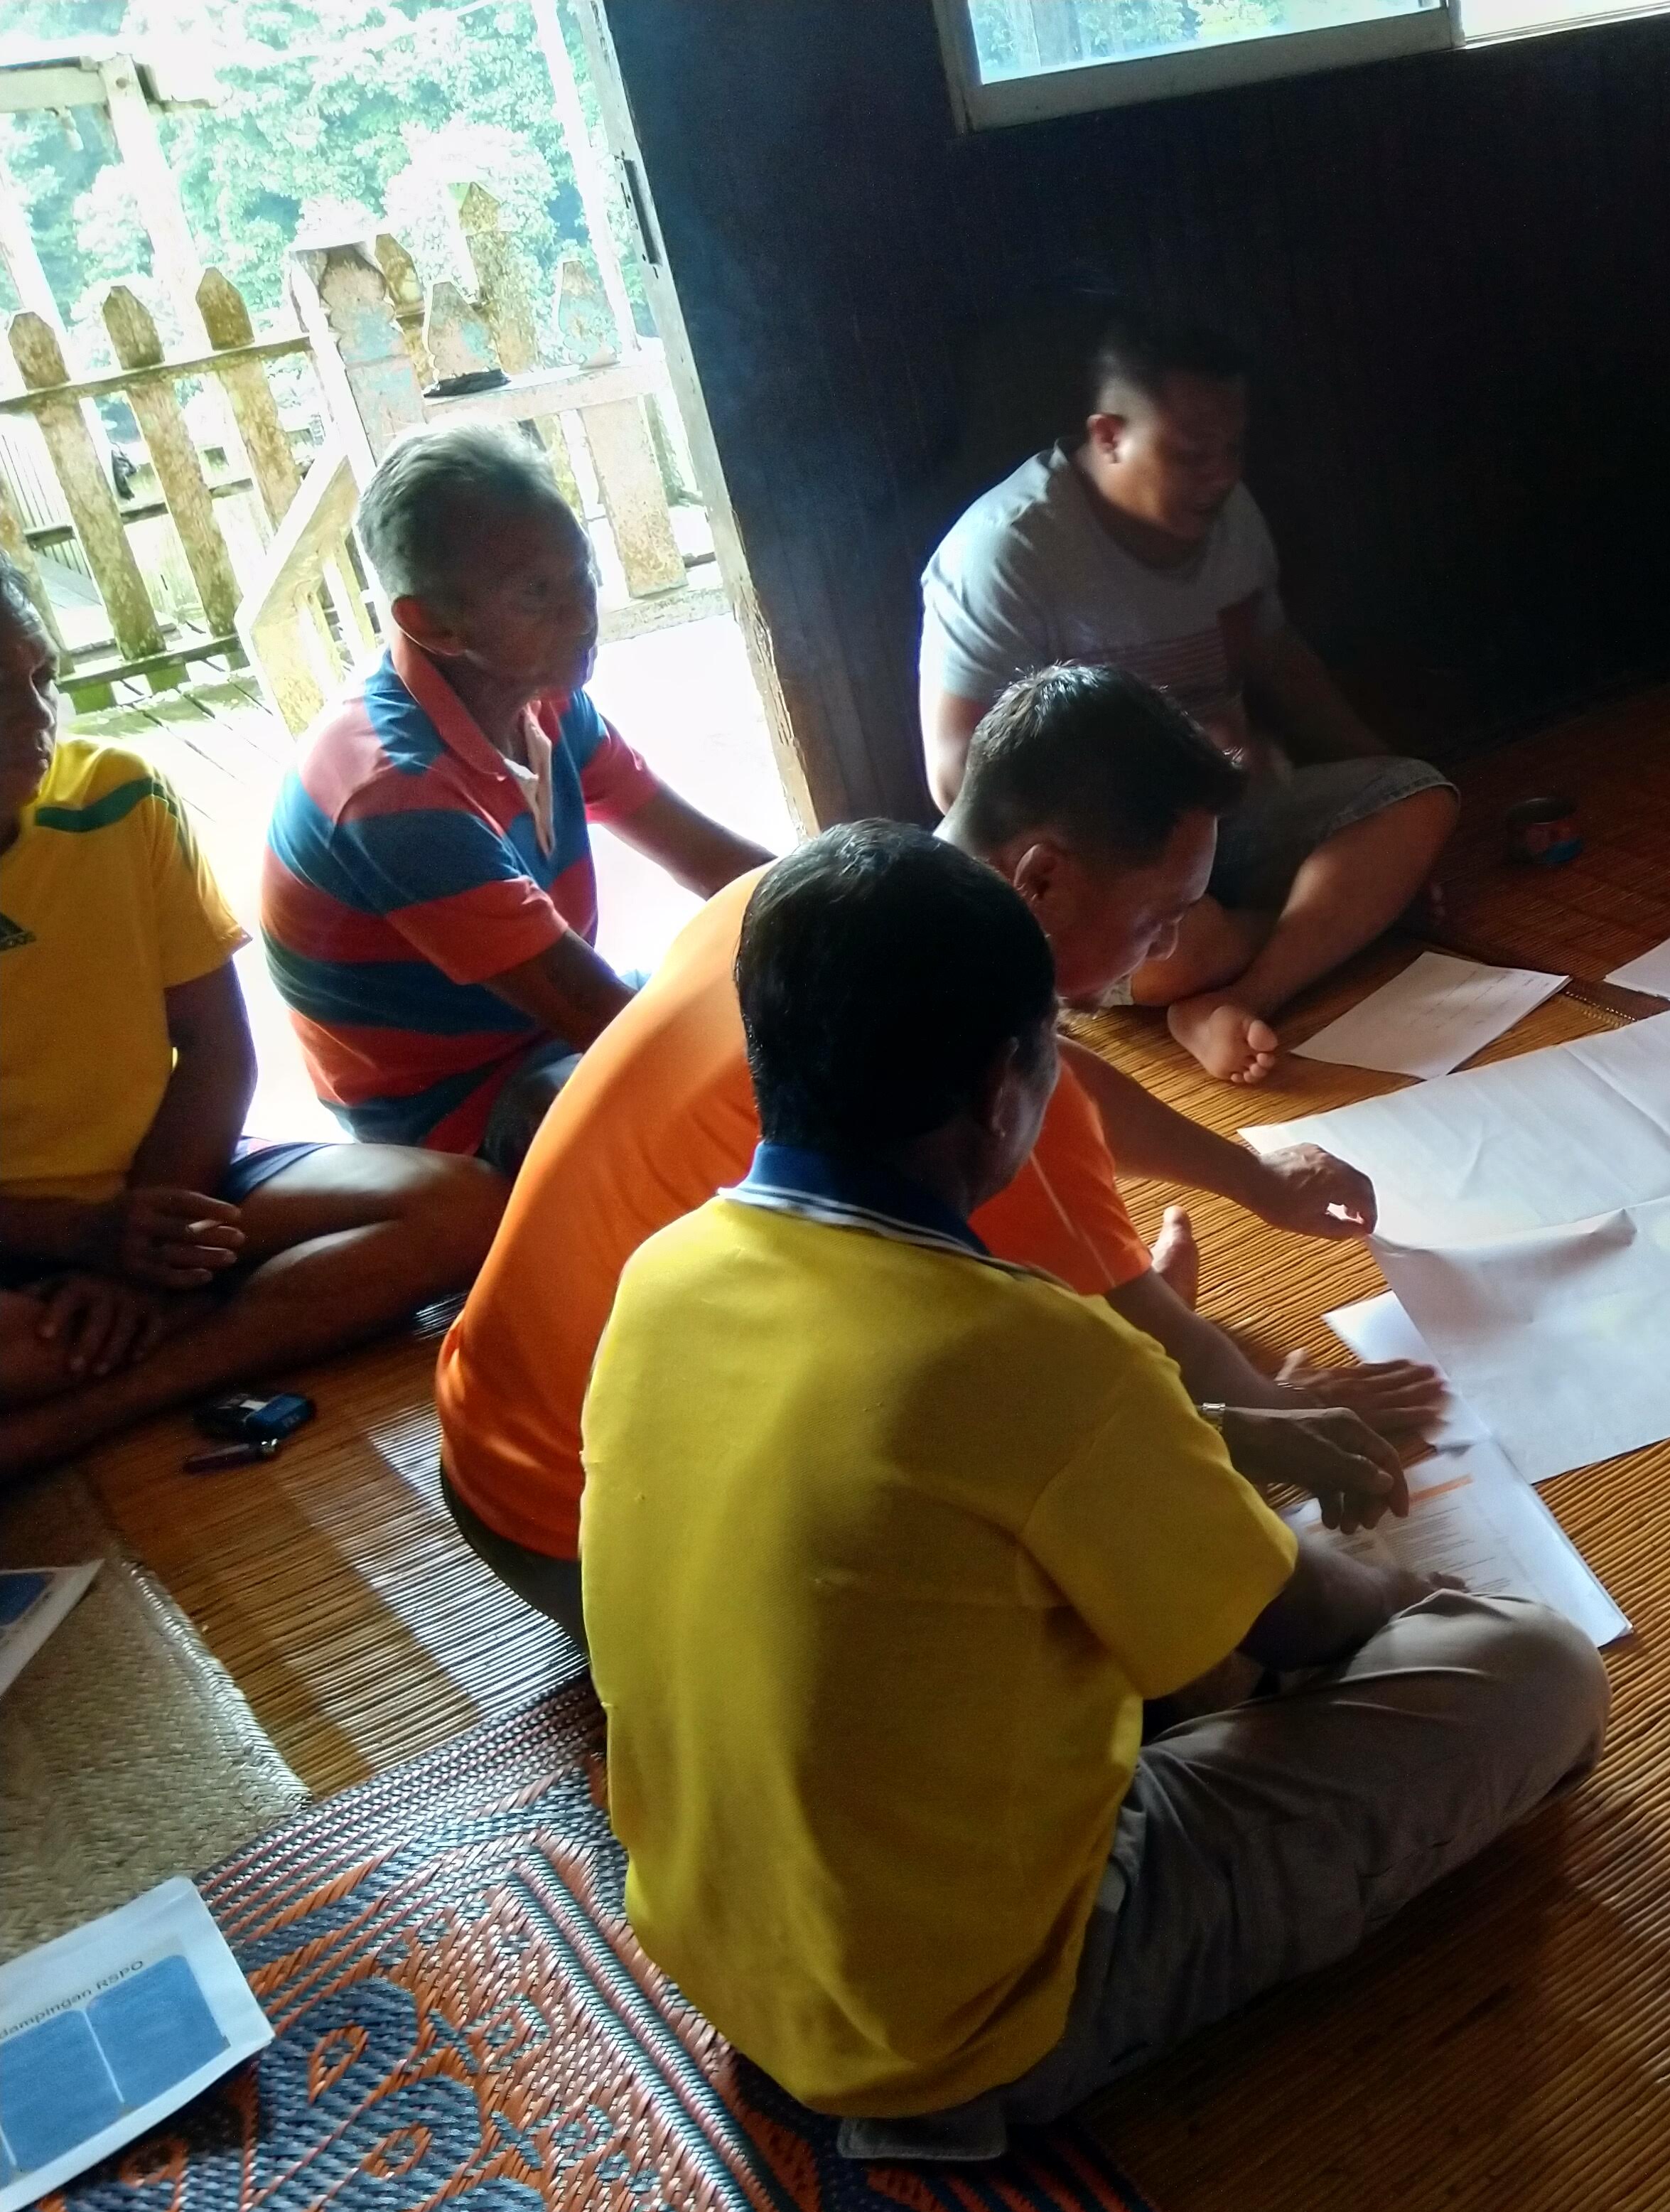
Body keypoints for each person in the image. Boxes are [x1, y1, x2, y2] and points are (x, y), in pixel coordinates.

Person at [579, 822, 1605, 2156]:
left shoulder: (662, 1275)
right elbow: (1308, 1621)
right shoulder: (1026, 1348)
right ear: (1004, 1088)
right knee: (1534, 1672)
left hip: (726, 1952)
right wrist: (1425, 1601)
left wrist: (1209, 1440)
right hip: (959, 2028)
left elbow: (917, 1475)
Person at [437, 663, 1441, 1643]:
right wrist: (1265, 1408)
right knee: (1123, 1589)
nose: (1170, 950)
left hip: (484, 1440)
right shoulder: (968, 1090)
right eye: (1159, 919)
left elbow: (1068, 1084)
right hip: (594, 1541)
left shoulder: (797, 908)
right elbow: (1146, 1396)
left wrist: (1247, 1178)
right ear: (1041, 878)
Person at [0, 565, 500, 1479]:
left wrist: (138, 1255)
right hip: (25, 1231)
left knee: (463, 1209)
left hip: (178, 1179)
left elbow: (217, 1053)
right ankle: (220, 1318)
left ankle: (84, 1409)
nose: (34, 718)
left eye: (42, 678)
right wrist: (82, 1240)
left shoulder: (118, 795)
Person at [917, 311, 1457, 1087]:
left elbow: (1281, 664)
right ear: (1110, 436)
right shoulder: (1010, 549)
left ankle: (1244, 996)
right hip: (1111, 861)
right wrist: (1168, 761)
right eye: (1192, 453)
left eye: (1233, 449)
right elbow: (955, 776)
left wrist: (1374, 777)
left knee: (1419, 800)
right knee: (1179, 951)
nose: (1220, 477)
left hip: (1221, 819)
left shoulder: (1230, 519)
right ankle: (1326, 920)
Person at [262, 428, 765, 1175]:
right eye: (536, 594)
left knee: (766, 999)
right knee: (760, 1095)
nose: (583, 613)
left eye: (582, 570)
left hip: (550, 1036)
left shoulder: (541, 697)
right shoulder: (394, 790)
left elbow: (713, 861)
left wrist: (864, 919)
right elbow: (595, 1015)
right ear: (431, 624)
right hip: (455, 1113)